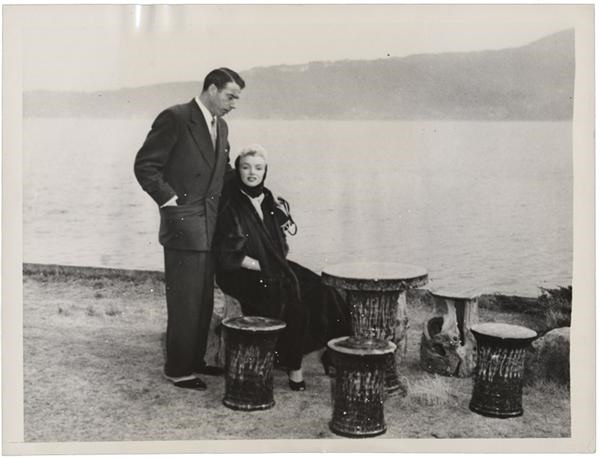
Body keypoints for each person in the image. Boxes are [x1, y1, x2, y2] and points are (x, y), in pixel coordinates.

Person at [134, 68, 245, 391]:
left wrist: (254, 187)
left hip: (210, 226)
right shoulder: (176, 117)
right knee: (185, 300)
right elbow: (146, 166)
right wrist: (169, 202)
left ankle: (194, 360)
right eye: (230, 96)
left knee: (203, 299)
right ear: (211, 89)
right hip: (184, 224)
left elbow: (222, 173)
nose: (234, 104)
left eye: (237, 98)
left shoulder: (220, 126)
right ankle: (178, 369)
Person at [213, 145, 351, 391]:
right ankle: (294, 367)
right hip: (241, 272)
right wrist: (266, 267)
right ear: (238, 170)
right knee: (291, 300)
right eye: (245, 167)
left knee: (323, 289)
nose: (252, 173)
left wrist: (279, 220)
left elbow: (280, 243)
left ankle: (334, 353)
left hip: (273, 264)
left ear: (265, 171)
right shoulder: (230, 203)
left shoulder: (267, 198)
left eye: (258, 168)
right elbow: (228, 255)